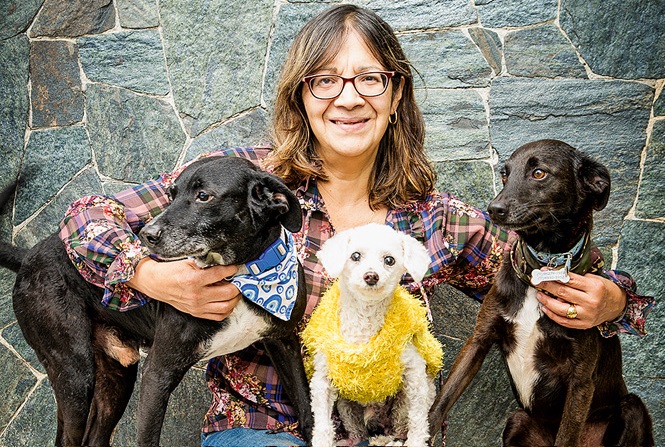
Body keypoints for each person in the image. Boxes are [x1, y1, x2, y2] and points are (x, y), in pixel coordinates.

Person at [58, 4, 654, 446]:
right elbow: (86, 217)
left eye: (370, 78)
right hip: (260, 428)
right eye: (326, 80)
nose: (348, 97)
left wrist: (614, 298)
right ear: (302, 96)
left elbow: (541, 260)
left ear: (395, 95)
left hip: (384, 435)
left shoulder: (436, 217)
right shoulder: (242, 181)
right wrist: (147, 275)